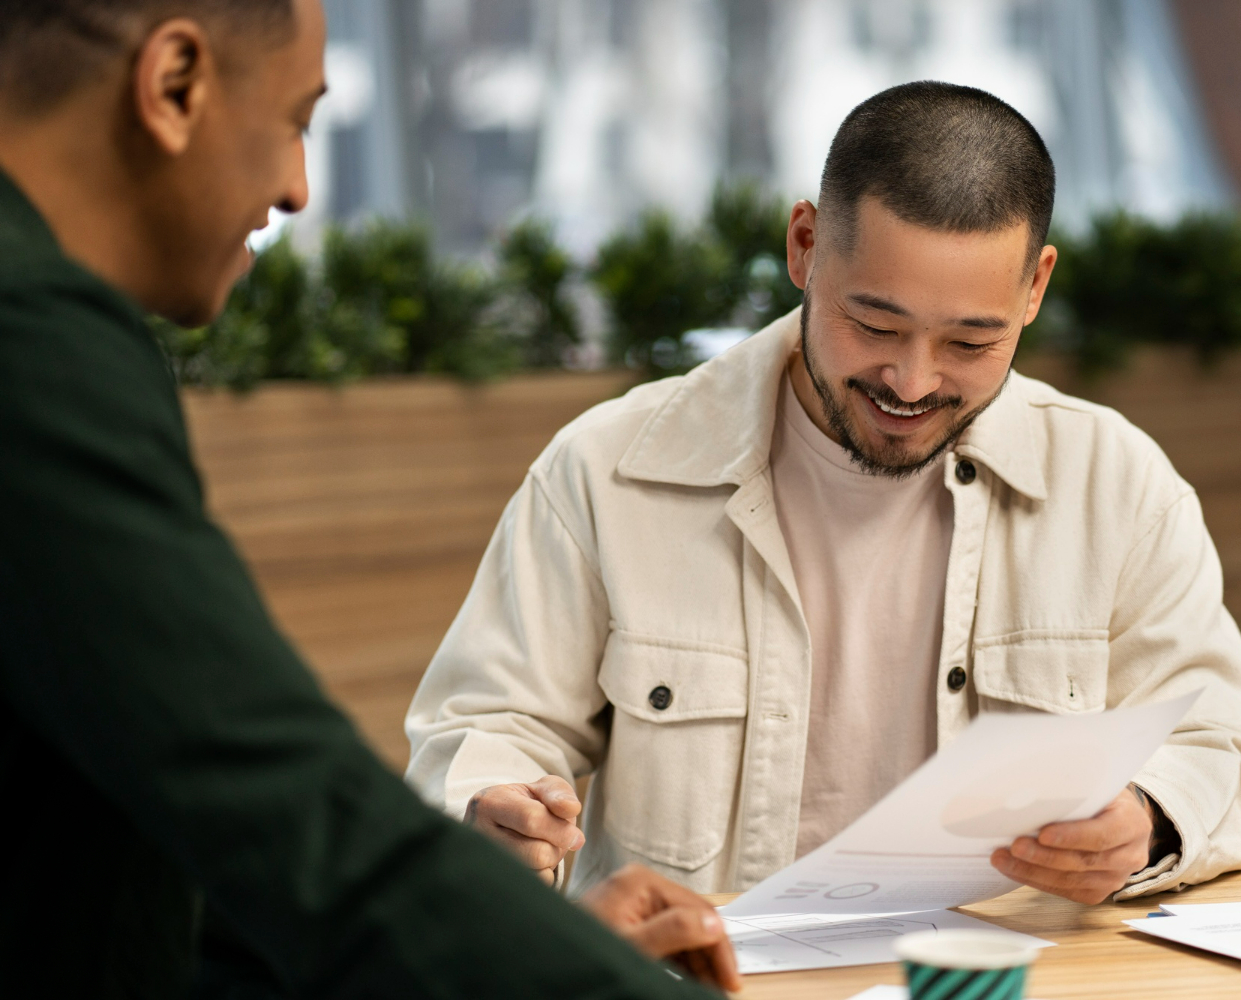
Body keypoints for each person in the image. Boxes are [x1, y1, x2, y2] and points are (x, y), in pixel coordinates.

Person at [0, 1, 738, 996]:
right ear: (174, 84)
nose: (300, 188)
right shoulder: (33, 347)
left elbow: (156, 850)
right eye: (298, 119)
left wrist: (511, 944)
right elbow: (280, 807)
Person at [406, 81, 1241, 906]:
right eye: (875, 325)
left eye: (970, 342)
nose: (912, 379)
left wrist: (1149, 824)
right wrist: (490, 812)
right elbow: (482, 732)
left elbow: (1218, 755)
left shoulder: (1118, 488)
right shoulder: (604, 472)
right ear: (805, 246)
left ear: (1036, 286)